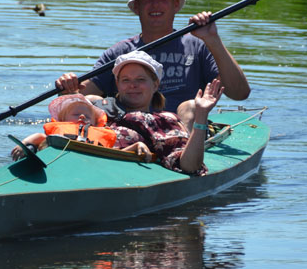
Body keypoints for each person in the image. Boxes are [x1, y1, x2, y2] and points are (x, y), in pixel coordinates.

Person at [56, 0, 250, 127]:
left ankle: (180, 158)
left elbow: (240, 93)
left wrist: (213, 40)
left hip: (181, 132)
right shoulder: (119, 52)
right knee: (91, 100)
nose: (155, 4)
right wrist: (68, 87)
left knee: (189, 106)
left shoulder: (199, 46)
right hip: (128, 129)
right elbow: (81, 96)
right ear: (137, 7)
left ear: (175, 5)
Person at [91, 50, 224, 175]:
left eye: (141, 79)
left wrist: (201, 116)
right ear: (117, 84)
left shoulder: (163, 122)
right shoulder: (97, 108)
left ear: (155, 85)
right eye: (126, 80)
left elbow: (189, 166)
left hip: (125, 173)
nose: (132, 85)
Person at [10, 93, 116, 160]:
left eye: (87, 116)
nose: (82, 116)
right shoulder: (59, 129)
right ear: (62, 120)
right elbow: (40, 137)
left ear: (95, 122)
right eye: (76, 114)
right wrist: (23, 145)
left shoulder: (101, 133)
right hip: (59, 160)